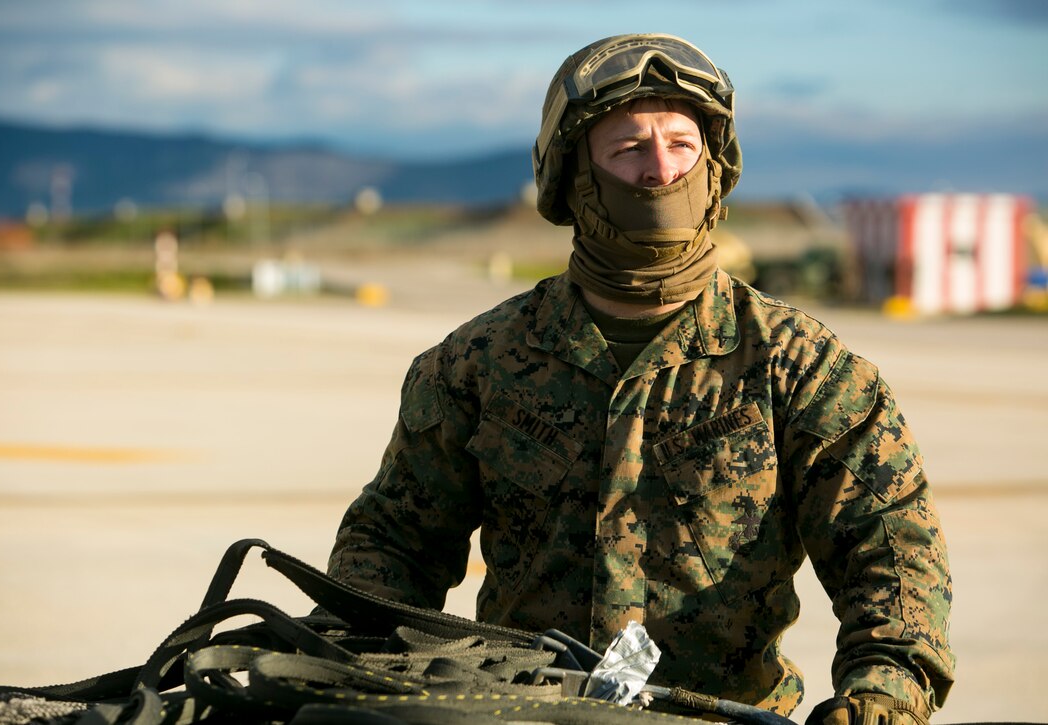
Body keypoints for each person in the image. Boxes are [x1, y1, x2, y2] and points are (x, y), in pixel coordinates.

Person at [327, 33, 955, 724]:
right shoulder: (478, 363)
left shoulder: (799, 366)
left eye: (682, 144)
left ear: (715, 166)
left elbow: (891, 555)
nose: (662, 170)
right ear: (573, 175)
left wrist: (883, 694)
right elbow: (391, 546)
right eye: (629, 148)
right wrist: (342, 660)